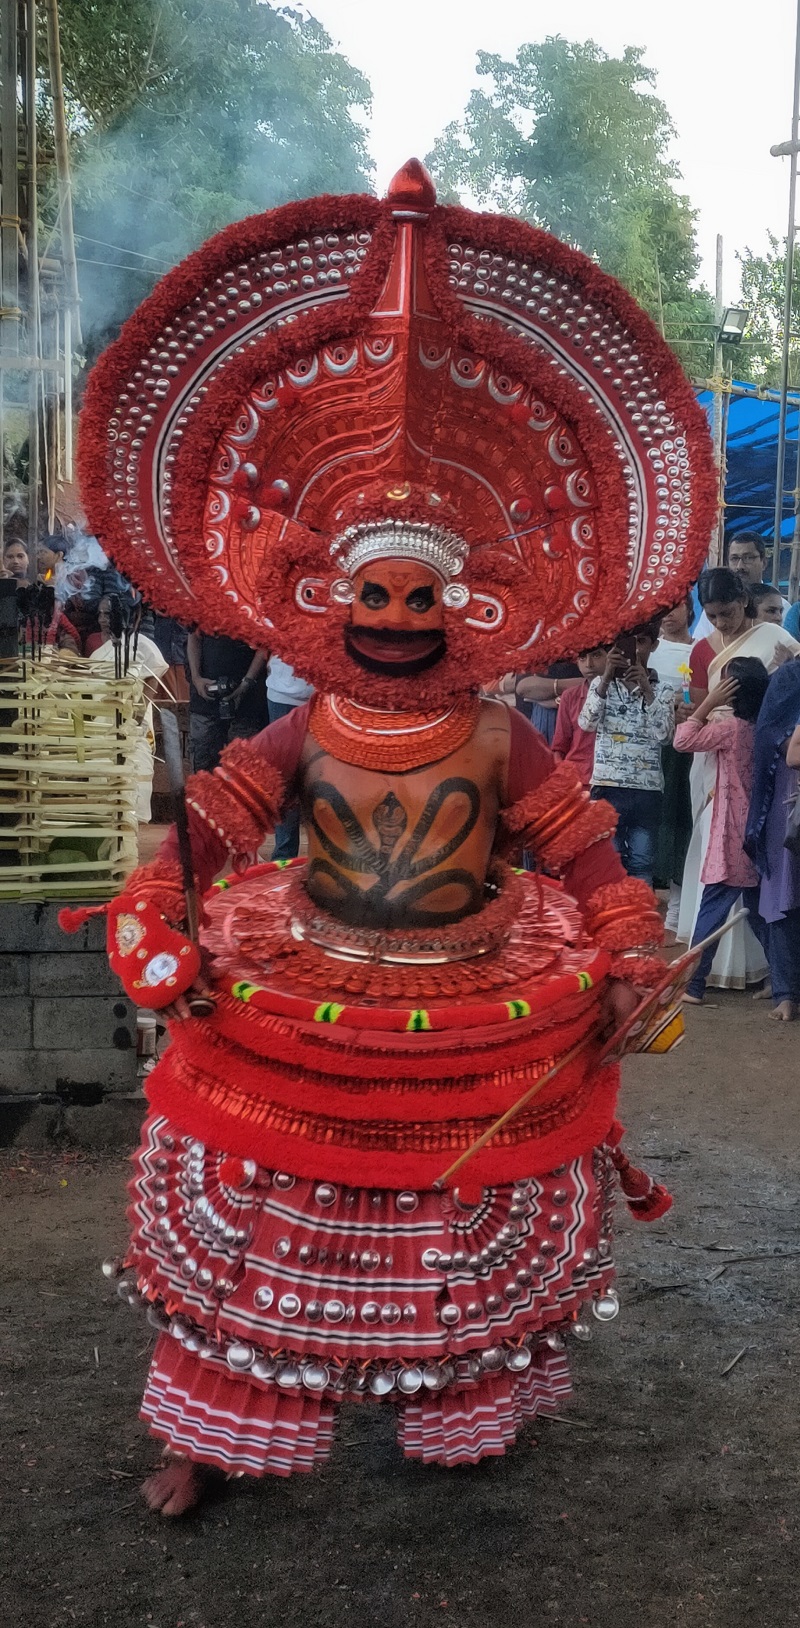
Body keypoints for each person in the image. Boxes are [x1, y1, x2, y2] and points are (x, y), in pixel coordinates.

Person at [71, 160, 717, 1513]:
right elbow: (213, 823)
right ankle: (211, 1431)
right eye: (376, 592)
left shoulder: (503, 733)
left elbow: (586, 853)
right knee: (265, 1215)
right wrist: (164, 907)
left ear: (468, 607)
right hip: (306, 985)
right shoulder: (300, 730)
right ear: (330, 595)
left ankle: (458, 1413)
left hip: (478, 995)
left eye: (427, 596)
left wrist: (629, 945)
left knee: (452, 1218)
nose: (402, 617)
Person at [674, 657, 769, 1004]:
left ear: (731, 693)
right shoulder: (767, 727)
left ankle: (693, 984)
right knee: (763, 913)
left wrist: (707, 703)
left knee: (712, 911)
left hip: (731, 833)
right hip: (761, 832)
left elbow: (683, 741)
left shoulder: (731, 730)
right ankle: (785, 980)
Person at [578, 622, 675, 884]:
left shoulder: (663, 690)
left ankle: (640, 922)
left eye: (641, 642)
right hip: (608, 786)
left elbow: (665, 736)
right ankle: (613, 921)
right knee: (611, 860)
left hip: (648, 791)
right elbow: (586, 723)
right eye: (624, 645)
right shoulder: (600, 684)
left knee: (643, 862)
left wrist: (647, 689)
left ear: (654, 645)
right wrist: (607, 677)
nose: (635, 650)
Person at [745, 661, 800, 1021]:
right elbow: (770, 733)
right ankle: (786, 993)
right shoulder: (790, 677)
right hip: (788, 796)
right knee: (785, 891)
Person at [90, 596, 170, 823]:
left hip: (132, 722)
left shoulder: (142, 644)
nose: (103, 619)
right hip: (101, 725)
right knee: (103, 783)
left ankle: (129, 840)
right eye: (101, 614)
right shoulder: (99, 653)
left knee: (133, 777)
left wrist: (138, 713)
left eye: (109, 614)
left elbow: (152, 679)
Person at [651, 596, 695, 935]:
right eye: (661, 609)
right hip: (650, 751)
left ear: (689, 609)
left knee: (681, 822)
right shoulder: (647, 652)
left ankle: (676, 913)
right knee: (651, 827)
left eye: (675, 606)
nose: (668, 615)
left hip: (685, 751)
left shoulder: (701, 651)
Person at [186, 631, 268, 772]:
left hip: (249, 700)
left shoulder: (256, 609)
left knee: (244, 767)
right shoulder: (201, 609)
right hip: (206, 694)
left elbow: (264, 645)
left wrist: (246, 682)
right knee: (203, 762)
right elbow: (193, 636)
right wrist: (196, 678)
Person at [265, 655, 313, 859]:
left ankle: (325, 858)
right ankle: (284, 857)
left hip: (325, 698)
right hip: (281, 697)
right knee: (284, 779)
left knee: (322, 776)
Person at [551, 646, 607, 786]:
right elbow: (559, 746)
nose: (589, 664)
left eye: (596, 656)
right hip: (577, 778)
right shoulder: (570, 696)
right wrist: (563, 775)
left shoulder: (623, 693)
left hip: (610, 779)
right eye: (582, 658)